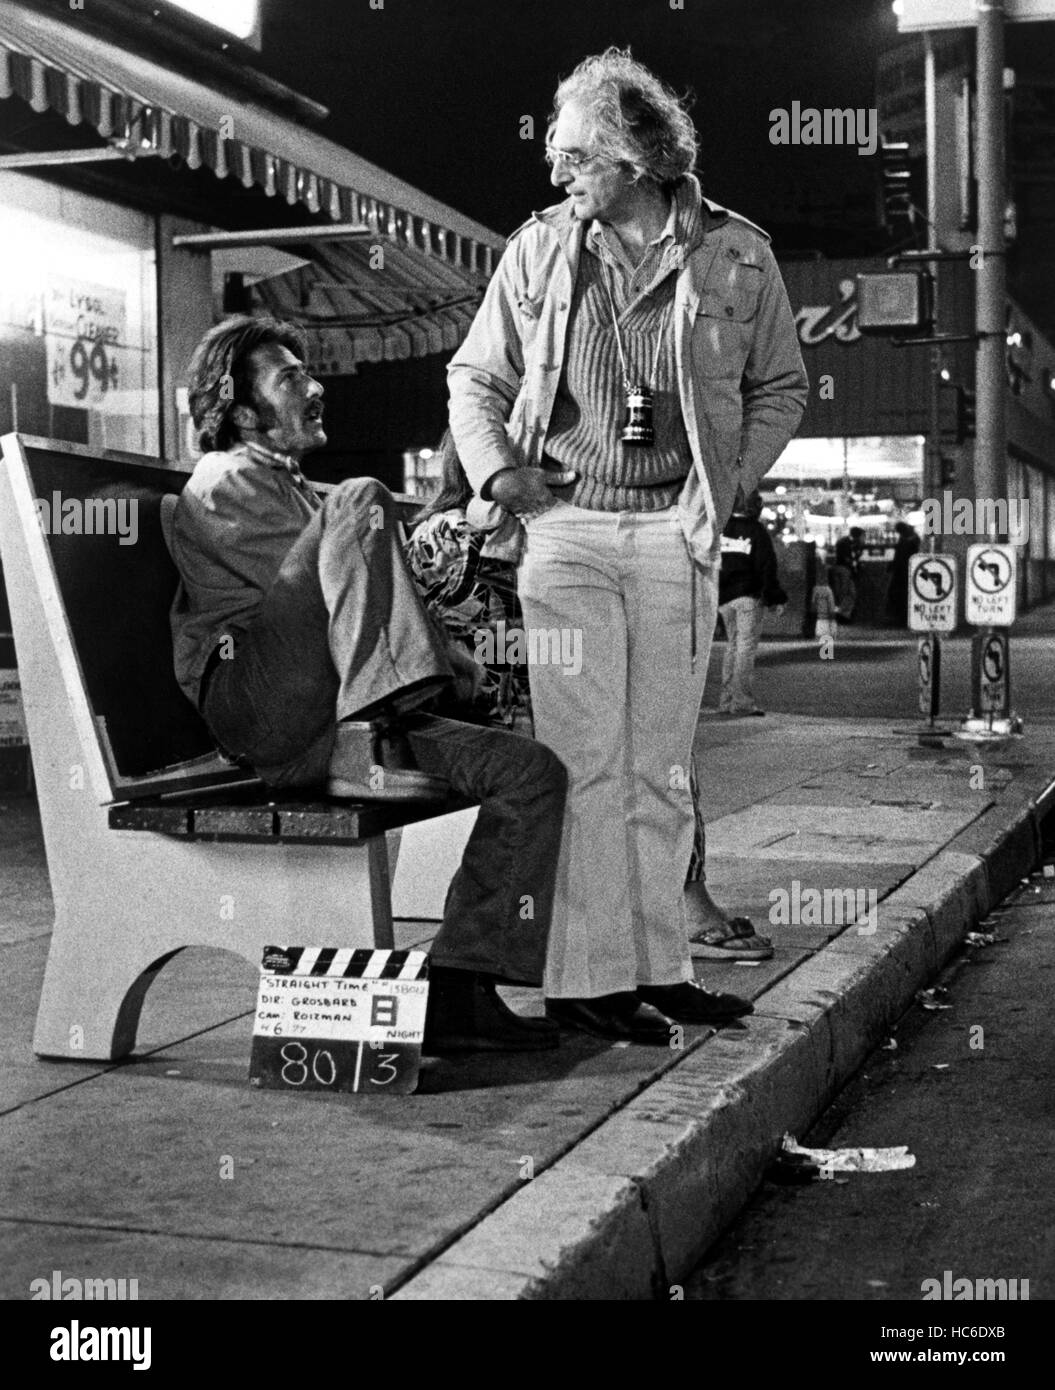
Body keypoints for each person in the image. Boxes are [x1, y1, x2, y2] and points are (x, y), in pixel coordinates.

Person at [448, 49, 807, 1042]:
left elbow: (782, 384)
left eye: (572, 156)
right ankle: (585, 978)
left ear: (630, 157)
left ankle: (660, 966)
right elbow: (474, 377)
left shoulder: (737, 254)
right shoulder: (537, 251)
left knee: (660, 768)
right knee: (584, 759)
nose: (555, 173)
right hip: (563, 533)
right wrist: (497, 474)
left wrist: (727, 484)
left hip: (673, 534)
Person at [168, 315, 569, 1057]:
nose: (316, 389)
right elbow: (328, 609)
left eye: (308, 374)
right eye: (289, 379)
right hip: (264, 711)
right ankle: (375, 730)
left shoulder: (293, 488)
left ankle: (461, 982)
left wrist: (457, 667)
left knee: (531, 772)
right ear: (239, 408)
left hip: (341, 718)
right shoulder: (224, 480)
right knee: (360, 497)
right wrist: (447, 666)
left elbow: (367, 606)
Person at [406, 433, 773, 962]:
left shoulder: (433, 533)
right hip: (510, 723)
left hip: (472, 716)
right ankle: (684, 904)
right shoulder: (506, 529)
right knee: (659, 733)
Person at [717, 489, 787, 716]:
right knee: (745, 649)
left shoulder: (722, 528)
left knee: (732, 646)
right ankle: (742, 702)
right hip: (748, 596)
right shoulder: (756, 531)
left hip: (725, 598)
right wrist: (775, 598)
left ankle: (726, 701)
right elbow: (766, 566)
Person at [886, 520, 920, 626]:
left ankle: (900, 618)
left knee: (898, 595)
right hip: (907, 571)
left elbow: (899, 555)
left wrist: (892, 566)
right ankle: (903, 618)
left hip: (902, 572)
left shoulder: (906, 539)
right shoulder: (914, 538)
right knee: (904, 595)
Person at [831, 525, 863, 621]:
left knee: (848, 592)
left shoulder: (845, 541)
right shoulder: (847, 543)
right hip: (844, 569)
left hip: (842, 569)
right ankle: (843, 615)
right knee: (846, 592)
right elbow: (847, 558)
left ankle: (843, 614)